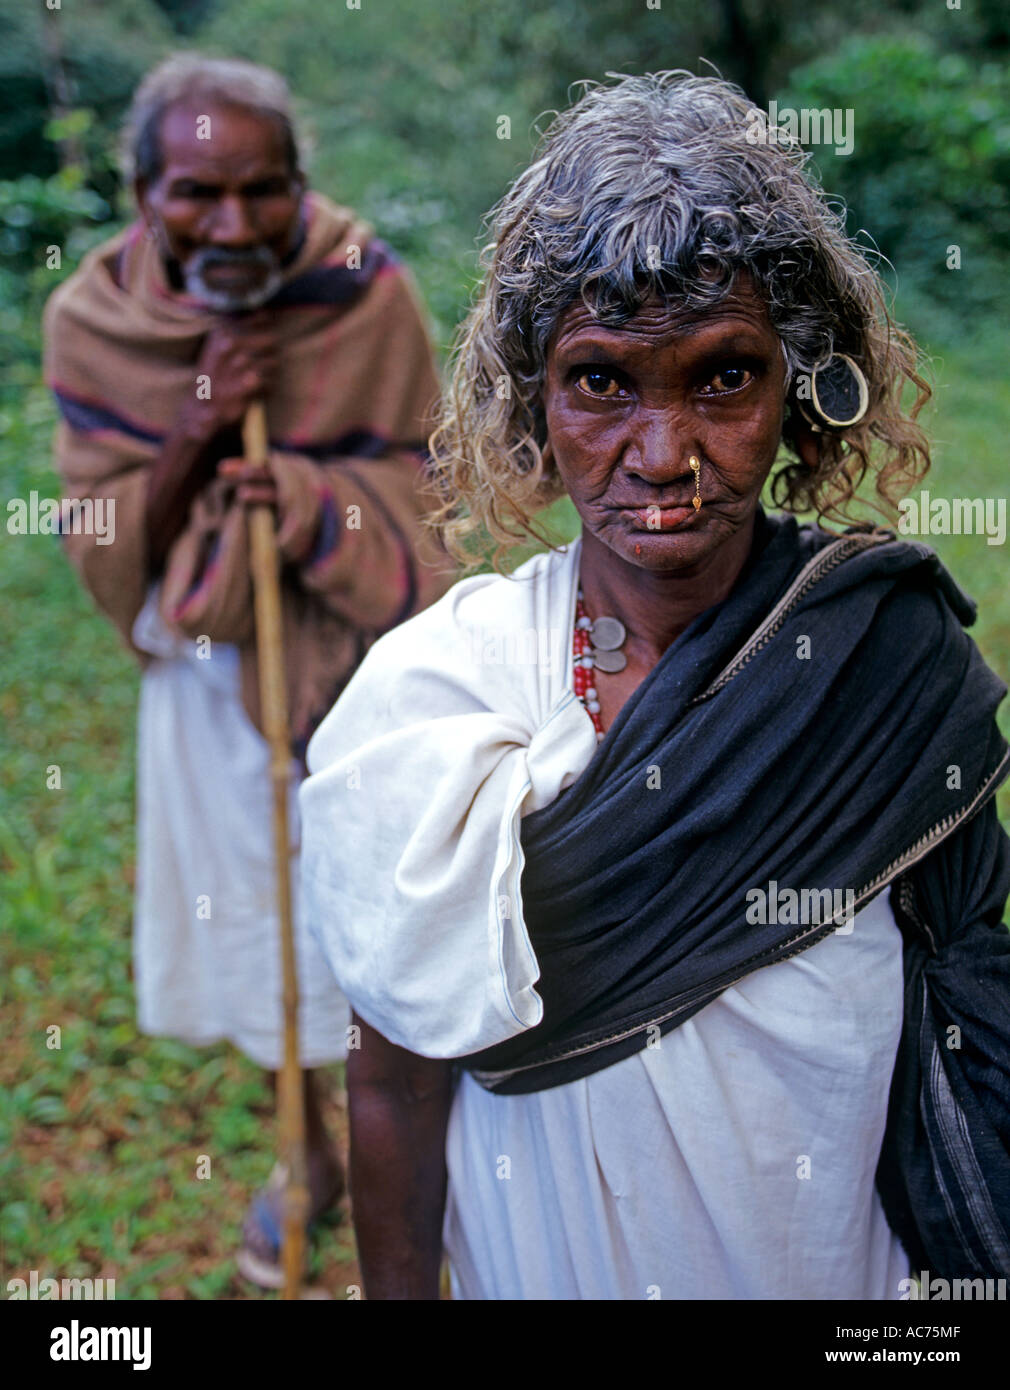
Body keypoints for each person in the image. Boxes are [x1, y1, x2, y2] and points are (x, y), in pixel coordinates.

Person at [298, 71, 1010, 1300]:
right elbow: (396, 1086)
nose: (662, 452)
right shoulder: (435, 709)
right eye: (600, 382)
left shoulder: (887, 668)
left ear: (803, 387)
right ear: (532, 395)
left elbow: (970, 1010)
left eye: (723, 377)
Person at [42, 53, 450, 1288]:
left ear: (298, 185)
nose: (232, 222)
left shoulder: (362, 288)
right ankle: (304, 1154)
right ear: (141, 191)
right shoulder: (92, 321)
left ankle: (403, 1163)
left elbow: (436, 491)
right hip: (209, 686)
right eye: (194, 193)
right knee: (257, 925)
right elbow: (110, 539)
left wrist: (320, 506)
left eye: (262, 190)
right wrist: (200, 423)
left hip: (362, 679)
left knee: (383, 927)